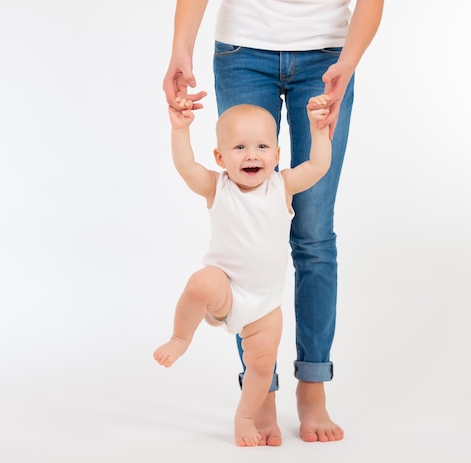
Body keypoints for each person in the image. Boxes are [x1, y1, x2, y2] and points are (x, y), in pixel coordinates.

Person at [162, 0, 384, 445]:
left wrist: (349, 61)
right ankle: (258, 391)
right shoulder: (215, 175)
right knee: (244, 253)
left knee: (314, 234)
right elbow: (189, 170)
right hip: (243, 50)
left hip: (328, 56)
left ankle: (313, 387)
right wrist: (180, 48)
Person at [154, 95, 332, 446]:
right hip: (226, 290)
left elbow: (317, 167)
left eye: (263, 146)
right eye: (239, 147)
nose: (252, 154)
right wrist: (181, 130)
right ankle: (180, 337)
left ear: (277, 156)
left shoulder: (282, 186)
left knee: (262, 368)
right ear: (220, 158)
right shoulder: (217, 186)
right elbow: (186, 166)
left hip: (264, 305)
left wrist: (318, 129)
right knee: (201, 281)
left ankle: (247, 416)